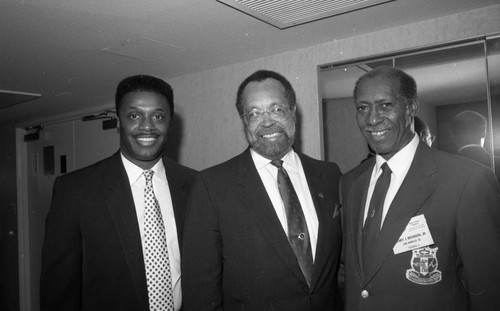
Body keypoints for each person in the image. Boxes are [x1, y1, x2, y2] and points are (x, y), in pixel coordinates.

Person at [340, 66, 500, 311]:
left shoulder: (466, 180)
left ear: (411, 107)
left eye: (385, 105)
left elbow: (489, 291)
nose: (372, 119)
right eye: (363, 108)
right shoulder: (350, 182)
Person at [182, 70, 342, 311]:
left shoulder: (329, 175)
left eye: (277, 109)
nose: (267, 122)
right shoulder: (212, 186)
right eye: (254, 113)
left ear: (293, 112)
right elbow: (200, 289)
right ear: (244, 122)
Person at [40, 75, 197, 311]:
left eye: (158, 116)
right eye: (134, 115)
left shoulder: (196, 185)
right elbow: (59, 291)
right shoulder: (75, 191)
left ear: (170, 125)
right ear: (118, 122)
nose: (147, 126)